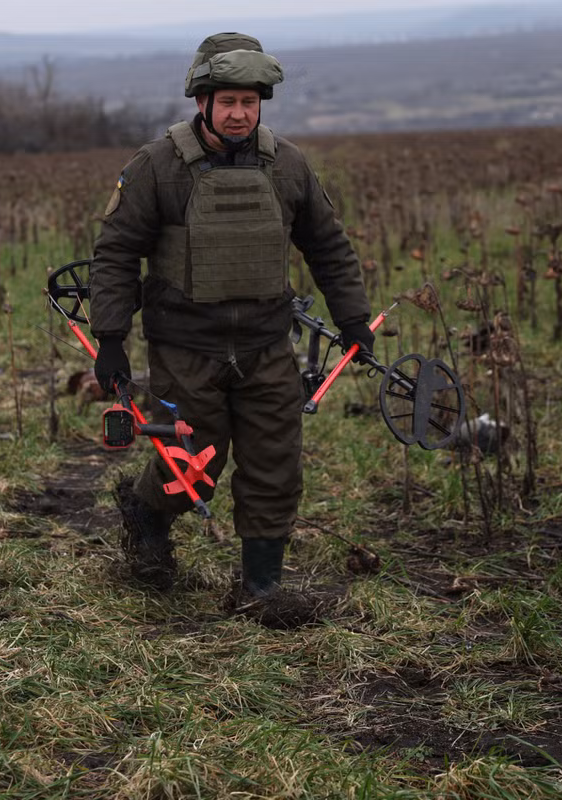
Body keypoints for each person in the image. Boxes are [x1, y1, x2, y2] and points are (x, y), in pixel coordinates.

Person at [89, 33, 373, 612]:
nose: (239, 113)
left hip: (268, 344)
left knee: (275, 461)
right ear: (203, 103)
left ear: (261, 103)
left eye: (250, 102)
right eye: (228, 102)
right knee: (194, 462)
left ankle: (260, 588)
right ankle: (145, 512)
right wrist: (110, 339)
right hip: (185, 346)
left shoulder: (287, 164)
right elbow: (116, 252)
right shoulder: (157, 166)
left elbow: (329, 246)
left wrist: (354, 319)